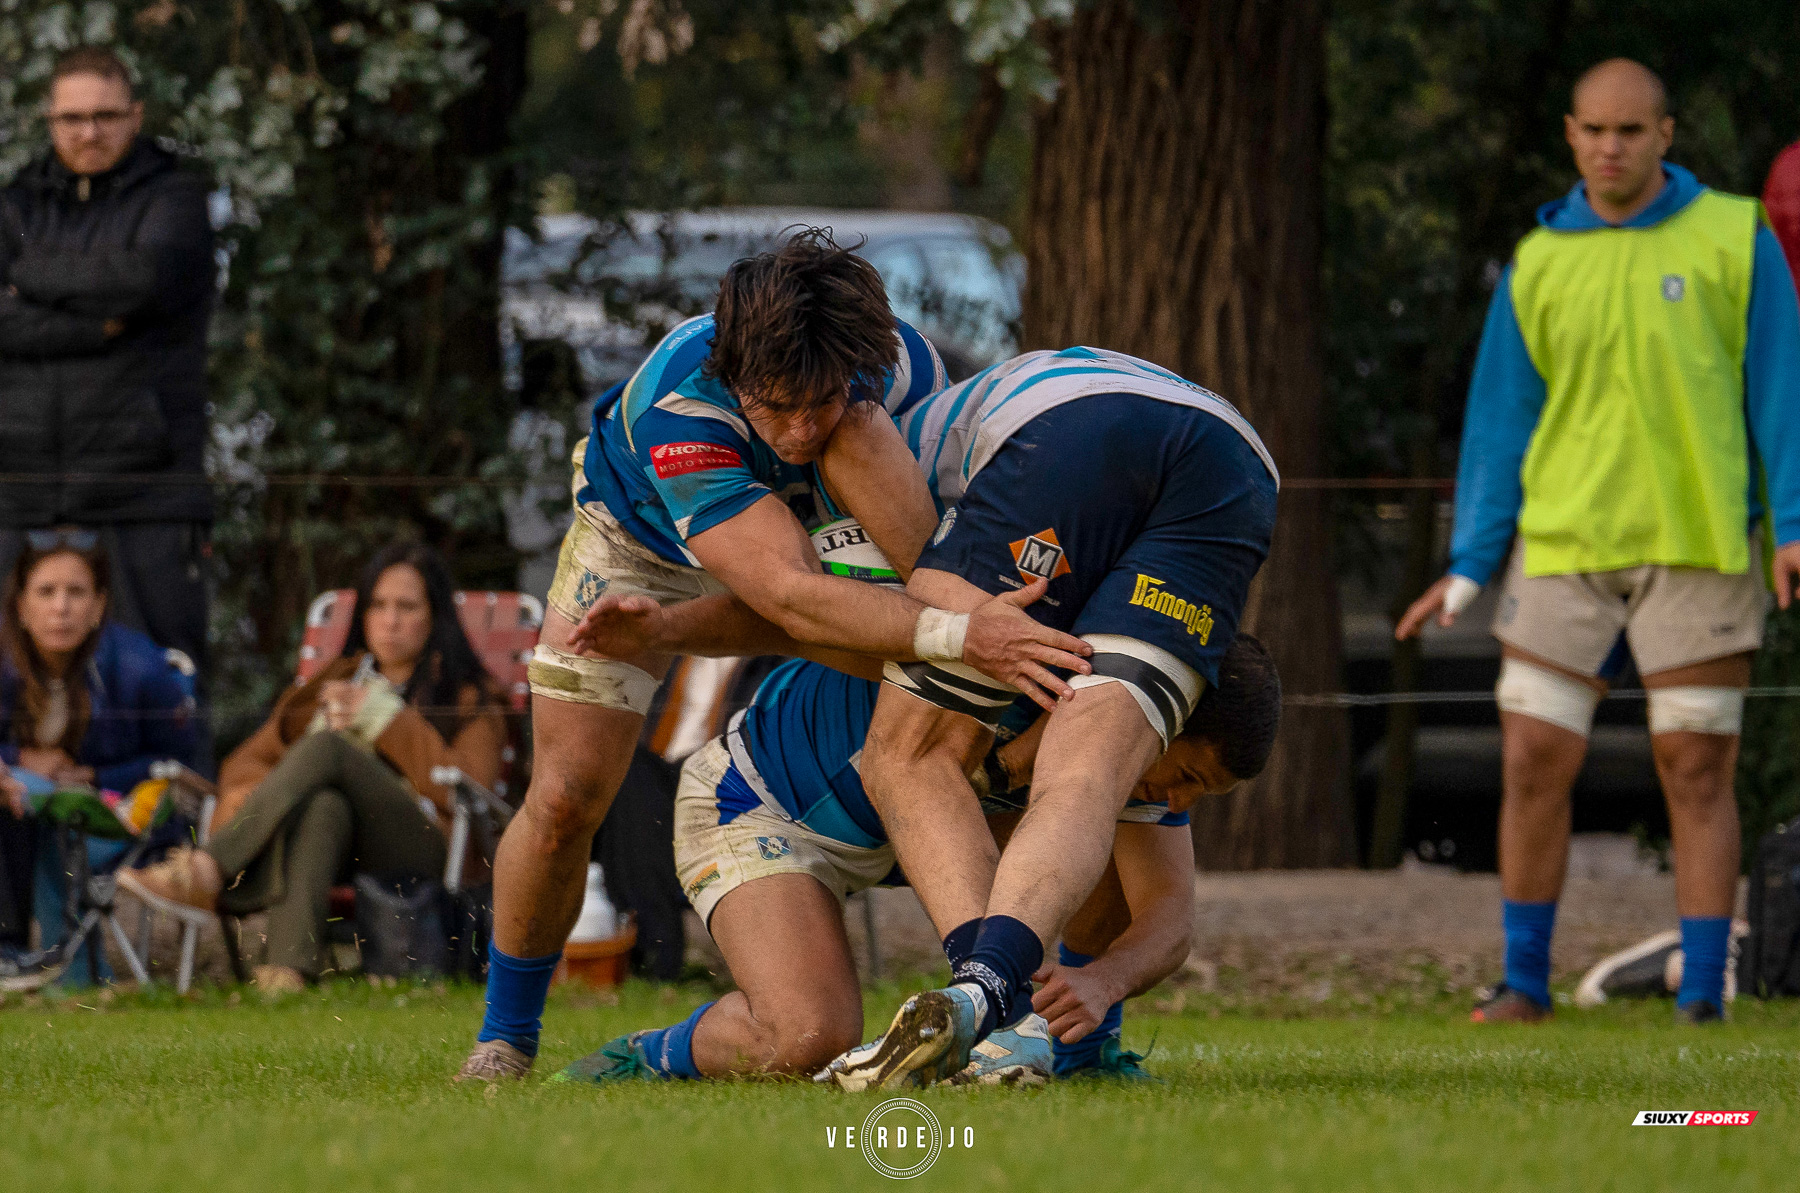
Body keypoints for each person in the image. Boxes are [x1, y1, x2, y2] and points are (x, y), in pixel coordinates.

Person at [457, 230, 1092, 1080]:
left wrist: (971, 621)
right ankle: (504, 1038)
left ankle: (1060, 1022)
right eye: (776, 406)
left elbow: (887, 560)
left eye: (818, 401)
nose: (797, 429)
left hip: (803, 528)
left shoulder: (899, 371)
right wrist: (963, 632)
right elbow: (788, 601)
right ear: (733, 373)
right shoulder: (682, 407)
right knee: (569, 794)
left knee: (879, 485)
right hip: (644, 541)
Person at [1396, 60, 1800, 1025]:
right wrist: (1470, 562)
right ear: (1571, 136)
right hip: (1562, 547)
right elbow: (1500, 423)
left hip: (1700, 543)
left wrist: (1792, 523)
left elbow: (1782, 387)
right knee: (1533, 758)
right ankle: (1523, 984)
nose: (1611, 147)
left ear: (1666, 134)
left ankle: (1701, 997)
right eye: (1594, 130)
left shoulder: (1736, 236)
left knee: (1695, 765)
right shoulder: (1537, 261)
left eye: (1631, 130)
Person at [553, 633, 1276, 1086]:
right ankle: (646, 1054)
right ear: (1166, 716)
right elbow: (902, 763)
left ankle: (1079, 1053)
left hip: (899, 831)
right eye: (1188, 775)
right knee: (806, 1036)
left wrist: (1103, 982)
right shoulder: (1024, 656)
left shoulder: (1125, 730)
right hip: (759, 800)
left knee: (1109, 839)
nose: (1179, 797)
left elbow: (1168, 915)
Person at [120, 542, 507, 992]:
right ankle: (285, 972)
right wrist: (259, 802)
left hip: (421, 844)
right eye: (378, 605)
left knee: (327, 748)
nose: (390, 620)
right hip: (337, 839)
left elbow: (469, 786)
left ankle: (205, 870)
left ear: (435, 616)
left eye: (407, 607)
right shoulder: (334, 681)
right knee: (325, 805)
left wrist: (383, 720)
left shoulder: (468, 695)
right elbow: (246, 762)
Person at [0, 46, 217, 681]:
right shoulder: (15, 207)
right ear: (49, 119)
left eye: (106, 115)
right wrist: (98, 324)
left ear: (136, 115)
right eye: (72, 118)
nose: (89, 132)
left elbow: (143, 281)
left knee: (157, 682)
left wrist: (26, 277)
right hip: (19, 485)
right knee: (10, 691)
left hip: (143, 488)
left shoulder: (175, 199)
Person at [0, 529, 199, 985]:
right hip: (23, 810)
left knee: (44, 810)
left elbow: (181, 766)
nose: (61, 607)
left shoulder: (138, 666)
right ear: (21, 605)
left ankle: (62, 974)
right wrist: (22, 756)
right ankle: (38, 963)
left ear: (99, 605)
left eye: (76, 592)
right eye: (46, 592)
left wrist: (94, 774)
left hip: (122, 817)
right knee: (23, 793)